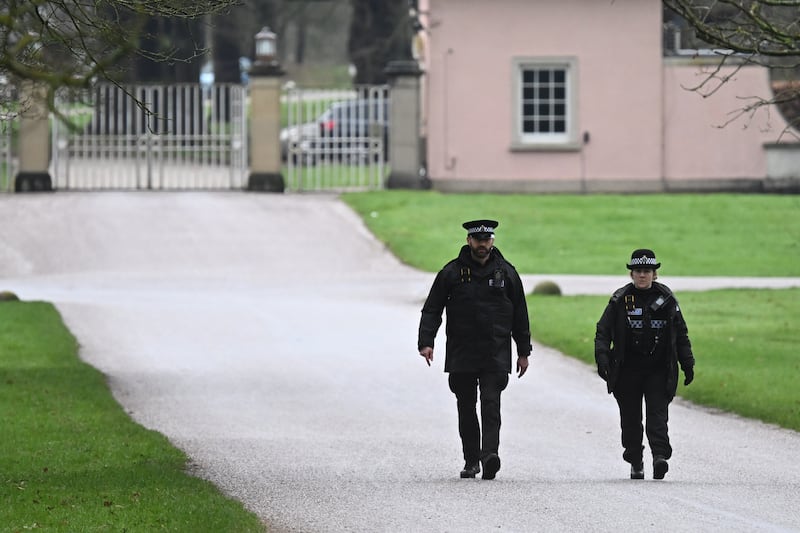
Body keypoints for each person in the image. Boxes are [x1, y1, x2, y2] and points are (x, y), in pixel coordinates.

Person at [418, 219, 532, 480]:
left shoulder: (507, 273)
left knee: (491, 404)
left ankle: (490, 455)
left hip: (496, 351)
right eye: (478, 240)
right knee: (466, 407)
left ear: (492, 241)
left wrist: (523, 351)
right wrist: (427, 341)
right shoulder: (452, 273)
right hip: (462, 352)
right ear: (469, 241)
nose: (482, 244)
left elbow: (520, 314)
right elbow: (432, 308)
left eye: (487, 240)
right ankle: (471, 460)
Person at [594, 249, 695, 480]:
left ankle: (659, 457)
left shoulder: (667, 300)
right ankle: (635, 460)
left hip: (658, 370)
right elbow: (603, 331)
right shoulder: (620, 300)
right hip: (627, 370)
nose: (642, 275)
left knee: (657, 417)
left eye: (647, 271)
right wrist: (602, 358)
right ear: (631, 274)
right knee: (630, 419)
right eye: (638, 271)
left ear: (654, 274)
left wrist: (687, 363)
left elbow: (681, 334)